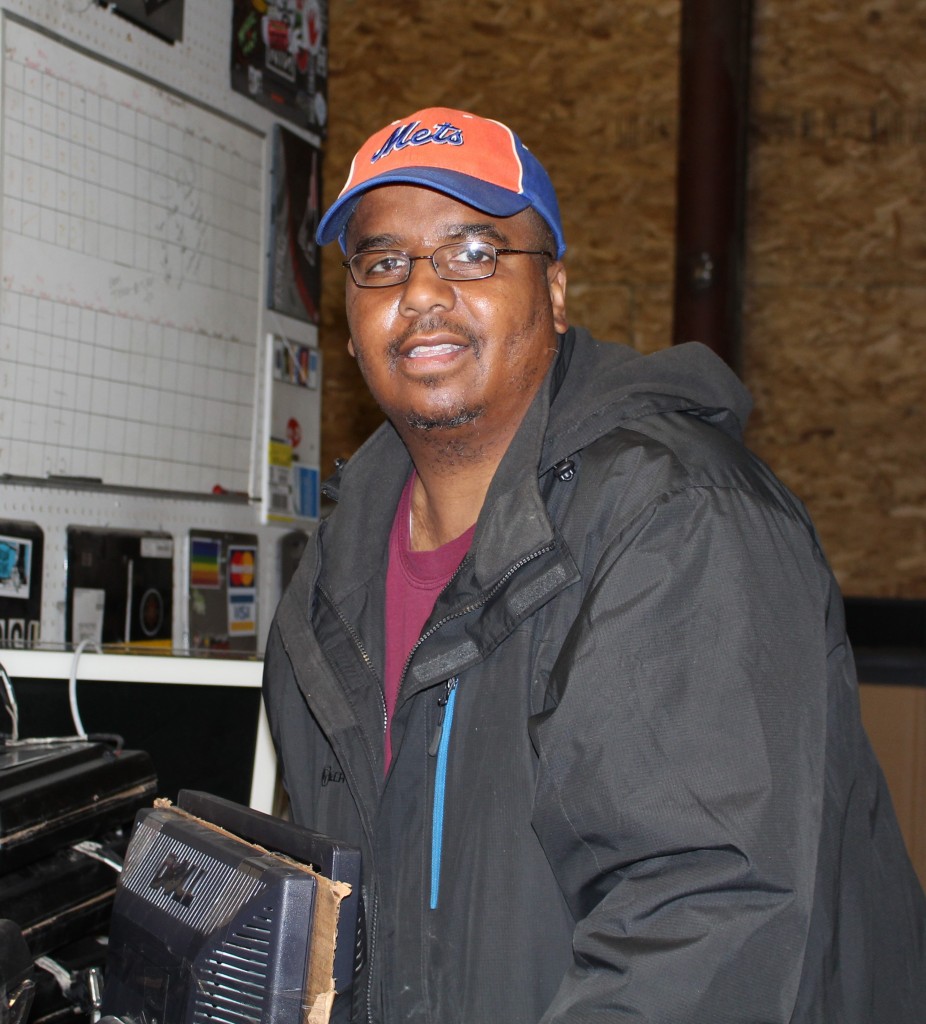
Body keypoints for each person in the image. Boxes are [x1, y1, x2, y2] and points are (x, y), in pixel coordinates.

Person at [263, 107, 926, 1024]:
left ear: (556, 291)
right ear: (348, 323)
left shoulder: (680, 521)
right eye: (382, 263)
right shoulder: (329, 579)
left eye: (473, 252)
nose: (420, 293)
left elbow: (707, 926)